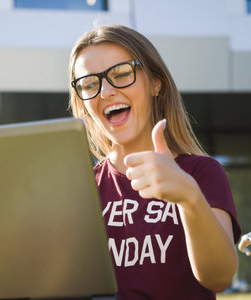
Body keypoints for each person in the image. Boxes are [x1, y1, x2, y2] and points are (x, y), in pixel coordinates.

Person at [69, 25, 241, 300]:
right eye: (90, 84)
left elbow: (219, 277)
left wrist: (189, 198)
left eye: (122, 74)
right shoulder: (82, 189)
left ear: (155, 83)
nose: (105, 92)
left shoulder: (202, 173)